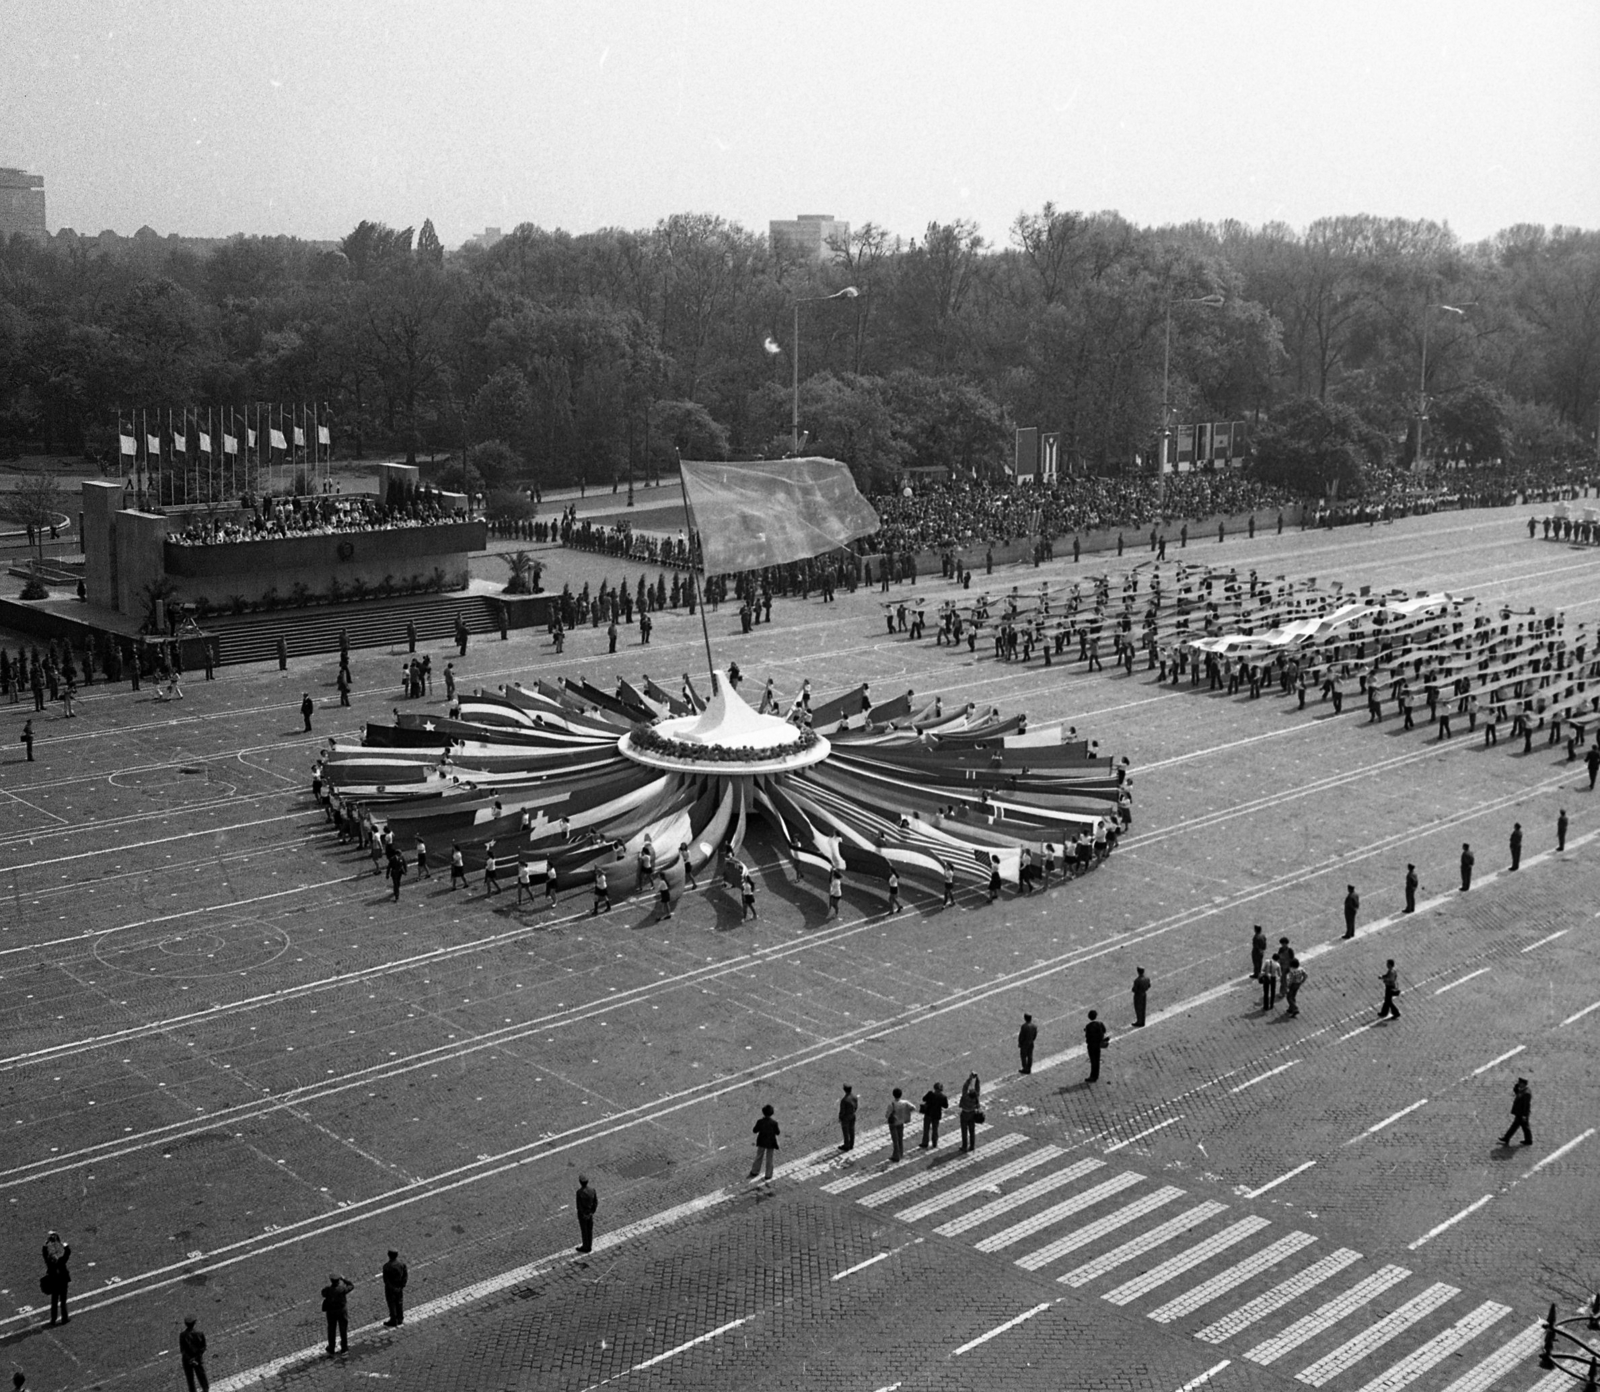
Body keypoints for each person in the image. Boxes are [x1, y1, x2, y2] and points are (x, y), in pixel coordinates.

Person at [321, 1272, 354, 1356]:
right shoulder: (342, 1289)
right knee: (343, 1329)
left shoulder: (327, 1290)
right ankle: (344, 1348)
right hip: (341, 1311)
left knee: (331, 1329)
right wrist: (344, 1279)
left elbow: (323, 1293)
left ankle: (331, 1348)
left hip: (331, 1311)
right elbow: (351, 1285)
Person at [40, 1230, 69, 1325]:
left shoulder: (50, 1265)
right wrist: (61, 1242)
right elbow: (68, 1252)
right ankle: (64, 1319)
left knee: (54, 1303)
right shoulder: (61, 1262)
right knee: (63, 1302)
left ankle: (53, 1320)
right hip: (63, 1285)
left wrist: (46, 1243)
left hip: (54, 1286)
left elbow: (44, 1254)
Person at [748, 1103, 779, 1181]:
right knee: (769, 1158)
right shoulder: (774, 1123)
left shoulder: (760, 1121)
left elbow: (755, 1130)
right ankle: (768, 1174)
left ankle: (755, 1171)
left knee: (759, 1156)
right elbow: (777, 1132)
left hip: (762, 1141)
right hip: (771, 1142)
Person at [1498, 1078, 1533, 1147]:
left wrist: (1524, 1115)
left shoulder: (1526, 1093)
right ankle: (1528, 1140)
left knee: (1515, 1126)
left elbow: (1526, 1105)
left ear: (1523, 1084)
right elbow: (1517, 1093)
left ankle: (1506, 1138)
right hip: (1519, 1113)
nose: (1519, 1084)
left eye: (1520, 1083)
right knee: (1525, 1127)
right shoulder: (1522, 1090)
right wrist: (1516, 1087)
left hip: (1521, 1113)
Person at [179, 1316, 209, 1391]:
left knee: (190, 1380)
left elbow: (183, 1350)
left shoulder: (182, 1335)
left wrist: (190, 1359)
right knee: (202, 1376)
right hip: (198, 1359)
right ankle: (205, 1389)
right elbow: (203, 1346)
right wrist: (196, 1358)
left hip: (187, 1361)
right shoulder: (200, 1333)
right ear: (194, 1323)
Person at [381, 1250, 407, 1327]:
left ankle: (393, 1320)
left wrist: (392, 1288)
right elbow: (405, 1276)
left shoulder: (386, 1266)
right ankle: (400, 1318)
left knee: (391, 1304)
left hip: (390, 1289)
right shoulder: (402, 1264)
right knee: (399, 1302)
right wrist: (402, 1286)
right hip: (399, 1287)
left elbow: (386, 1280)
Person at [886, 1087, 912, 1161]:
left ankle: (896, 1156)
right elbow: (913, 1107)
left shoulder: (892, 1104)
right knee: (900, 1138)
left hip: (894, 1123)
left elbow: (887, 1115)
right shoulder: (905, 1102)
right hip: (901, 1122)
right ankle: (901, 1153)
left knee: (895, 1140)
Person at [919, 1082, 948, 1148]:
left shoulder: (930, 1094)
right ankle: (934, 1143)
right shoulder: (943, 1097)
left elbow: (924, 1099)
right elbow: (945, 1106)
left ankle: (925, 1143)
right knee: (935, 1130)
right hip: (936, 1115)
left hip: (928, 1113)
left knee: (926, 1129)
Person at [958, 1073, 982, 1152]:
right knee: (972, 1131)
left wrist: (970, 1078)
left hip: (965, 1114)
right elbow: (977, 1088)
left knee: (964, 1131)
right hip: (972, 1114)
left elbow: (965, 1087)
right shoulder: (975, 1098)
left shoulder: (965, 1097)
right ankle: (972, 1146)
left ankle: (964, 1146)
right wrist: (977, 1079)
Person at [1084, 1010, 1108, 1082]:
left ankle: (1093, 1076)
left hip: (1091, 1045)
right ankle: (1096, 1075)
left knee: (1093, 1060)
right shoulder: (1100, 1024)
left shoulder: (1088, 1026)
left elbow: (1087, 1036)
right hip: (1098, 1045)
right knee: (1097, 1060)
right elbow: (1104, 1030)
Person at [575, 1175, 598, 1252]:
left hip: (583, 1215)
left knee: (584, 1231)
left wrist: (584, 1214)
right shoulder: (592, 1190)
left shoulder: (579, 1192)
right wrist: (591, 1213)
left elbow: (579, 1206)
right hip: (590, 1214)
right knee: (589, 1230)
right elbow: (595, 1203)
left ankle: (585, 1247)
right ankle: (589, 1246)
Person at [837, 1084, 857, 1152]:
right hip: (853, 1115)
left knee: (846, 1132)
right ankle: (851, 1144)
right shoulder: (854, 1097)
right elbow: (856, 1107)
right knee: (852, 1130)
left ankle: (846, 1145)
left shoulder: (844, 1100)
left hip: (846, 1117)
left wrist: (840, 1117)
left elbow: (842, 1111)